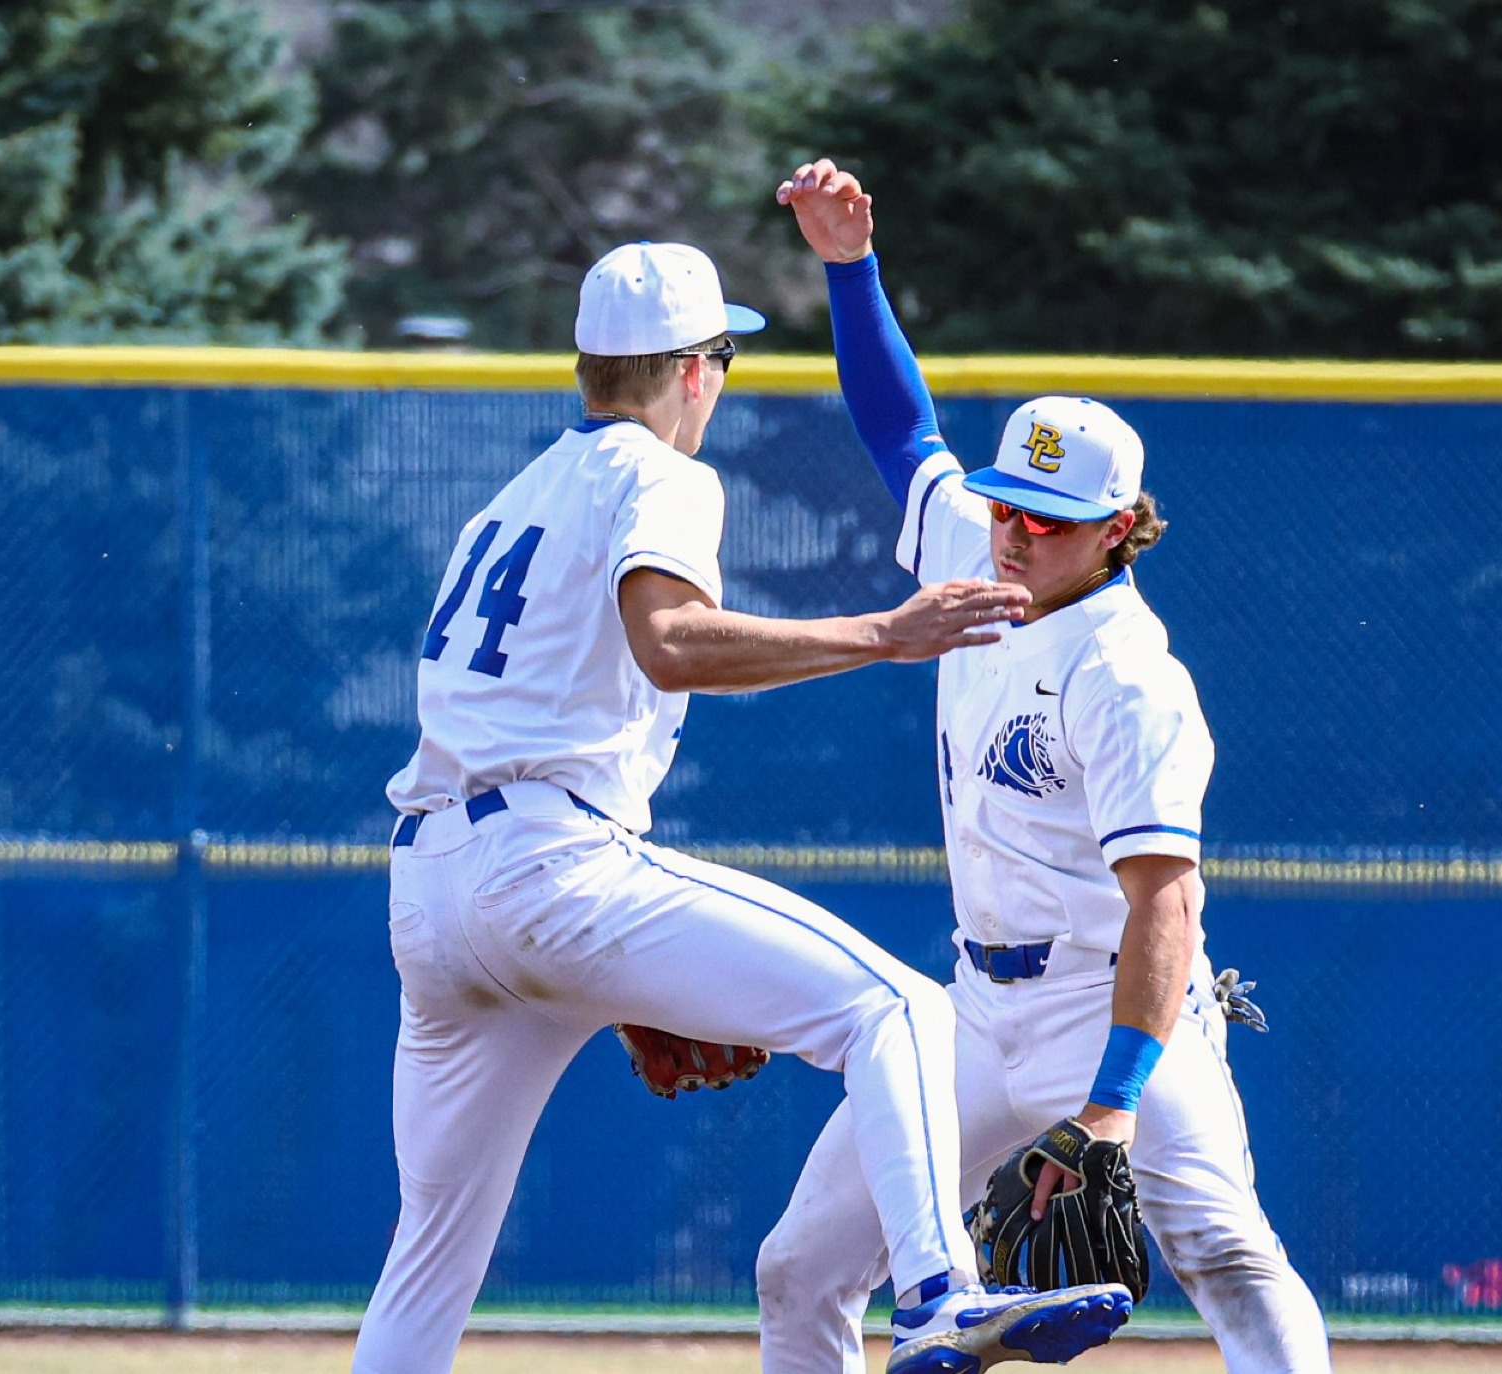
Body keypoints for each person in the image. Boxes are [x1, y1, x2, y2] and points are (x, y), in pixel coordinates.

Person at [351, 240, 1133, 1374]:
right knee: (903, 1015)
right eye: (724, 356)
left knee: (427, 1263)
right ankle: (939, 1297)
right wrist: (884, 633)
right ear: (693, 369)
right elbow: (668, 645)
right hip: (548, 865)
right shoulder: (660, 474)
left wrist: (619, 980)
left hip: (431, 894)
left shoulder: (505, 506)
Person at [759, 161, 1334, 1374]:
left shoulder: (1129, 676)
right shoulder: (979, 552)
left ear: (1121, 529)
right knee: (801, 1268)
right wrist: (849, 267)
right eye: (1008, 503)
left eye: (1050, 519)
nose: (1015, 532)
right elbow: (896, 427)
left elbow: (1164, 906)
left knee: (1226, 1253)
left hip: (1107, 1007)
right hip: (975, 1007)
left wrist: (1116, 1100)